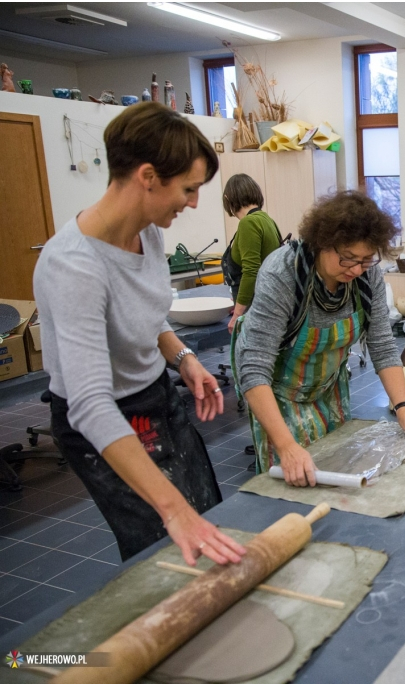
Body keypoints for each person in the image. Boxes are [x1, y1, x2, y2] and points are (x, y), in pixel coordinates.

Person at [33, 102, 246, 566]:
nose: (192, 203)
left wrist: (183, 358)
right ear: (148, 177)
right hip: (102, 418)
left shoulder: (148, 233)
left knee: (207, 514)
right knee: (165, 544)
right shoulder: (73, 265)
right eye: (188, 189)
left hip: (154, 395)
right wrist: (171, 509)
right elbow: (90, 403)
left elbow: (145, 318)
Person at [233, 191, 405, 487]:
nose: (356, 269)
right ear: (321, 243)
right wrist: (287, 446)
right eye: (348, 259)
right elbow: (253, 368)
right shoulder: (283, 275)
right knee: (296, 480)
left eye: (366, 260)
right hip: (278, 395)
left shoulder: (366, 278)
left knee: (337, 469)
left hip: (329, 389)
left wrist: (403, 407)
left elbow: (382, 345)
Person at [221, 173, 283, 333]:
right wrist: (239, 301)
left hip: (256, 311)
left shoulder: (248, 223)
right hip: (267, 305)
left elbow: (251, 272)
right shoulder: (266, 219)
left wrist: (238, 315)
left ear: (228, 199)